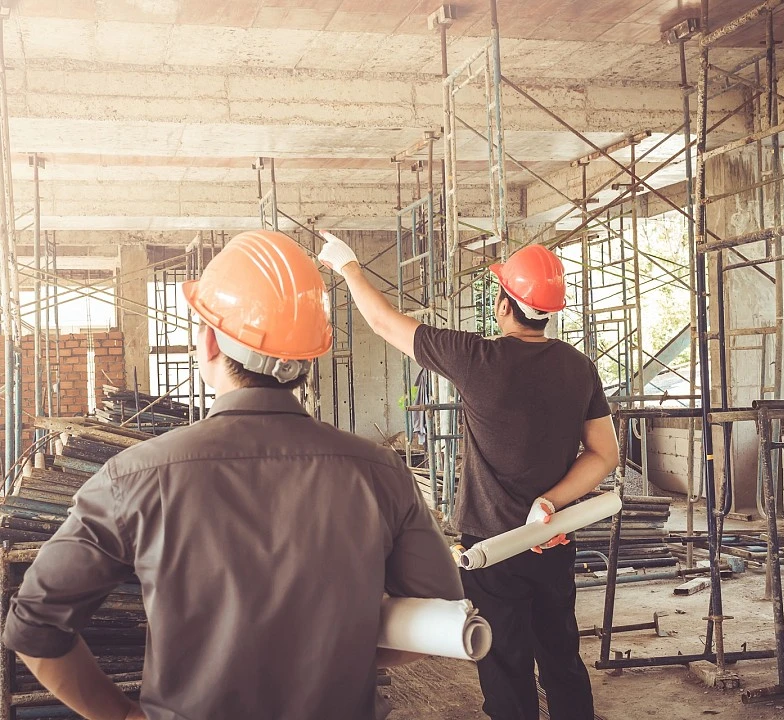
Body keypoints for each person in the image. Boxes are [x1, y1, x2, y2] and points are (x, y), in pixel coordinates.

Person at [3, 230, 464, 720]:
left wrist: (123, 716)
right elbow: (439, 617)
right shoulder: (379, 473)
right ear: (310, 357)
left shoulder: (135, 477)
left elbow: (35, 627)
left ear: (207, 341)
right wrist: (337, 660)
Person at [319, 233, 619, 720]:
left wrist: (348, 265)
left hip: (492, 548)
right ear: (548, 312)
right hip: (552, 538)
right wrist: (551, 501)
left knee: (505, 665)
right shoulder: (580, 368)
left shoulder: (477, 359)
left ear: (504, 306)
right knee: (562, 659)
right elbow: (603, 454)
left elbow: (381, 322)